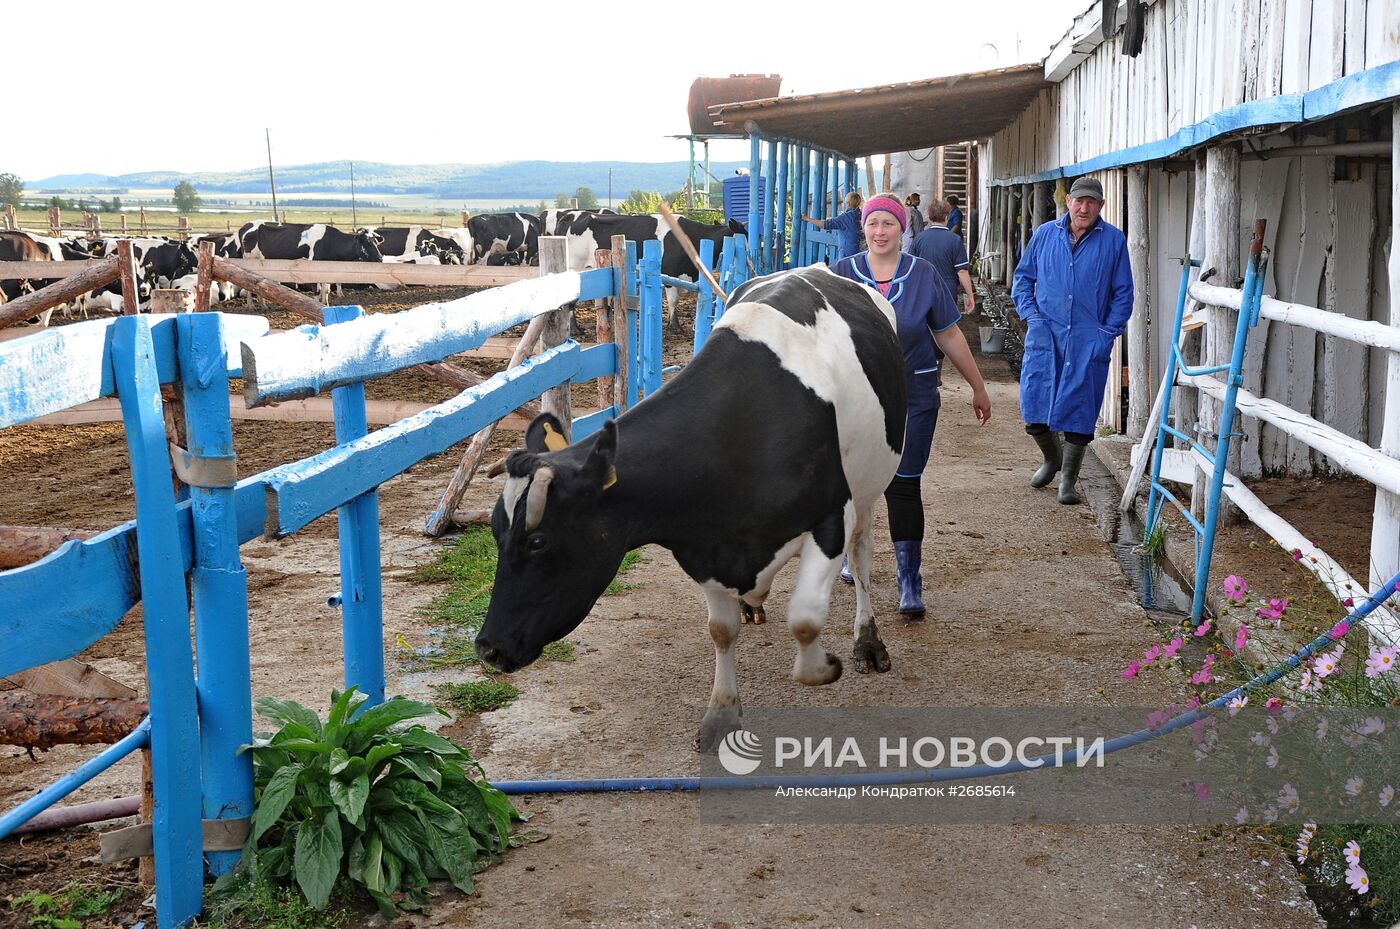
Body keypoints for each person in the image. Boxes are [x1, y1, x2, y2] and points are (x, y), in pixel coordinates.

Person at [832, 193, 992, 616]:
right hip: (857, 398)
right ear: (863, 228)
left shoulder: (923, 274)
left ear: (903, 229)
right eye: (873, 223)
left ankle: (909, 579)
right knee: (853, 482)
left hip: (913, 394)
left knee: (904, 483)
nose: (880, 231)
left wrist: (977, 386)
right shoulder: (842, 274)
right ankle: (852, 554)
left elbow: (948, 333)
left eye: (888, 223)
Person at [1011, 176, 1133, 505]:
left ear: (1101, 206)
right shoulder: (1044, 234)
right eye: (1079, 201)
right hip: (1046, 333)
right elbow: (1023, 278)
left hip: (1087, 337)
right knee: (1035, 406)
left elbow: (1123, 293)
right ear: (1068, 202)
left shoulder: (1113, 240)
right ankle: (1052, 458)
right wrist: (1033, 317)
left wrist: (1107, 332)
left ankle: (1068, 477)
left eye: (1091, 202)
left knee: (1080, 410)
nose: (1084, 208)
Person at [910, 198, 975, 316]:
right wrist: (970, 296)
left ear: (930, 217)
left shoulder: (919, 238)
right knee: (948, 323)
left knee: (925, 323)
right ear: (946, 217)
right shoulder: (955, 240)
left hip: (924, 288)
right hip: (947, 288)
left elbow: (910, 268)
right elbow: (962, 271)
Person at [800, 191, 864, 261]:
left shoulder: (845, 217)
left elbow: (824, 225)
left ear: (848, 203)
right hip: (861, 254)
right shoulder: (862, 215)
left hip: (847, 255)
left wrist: (807, 218)